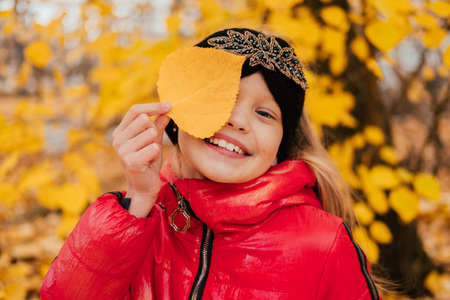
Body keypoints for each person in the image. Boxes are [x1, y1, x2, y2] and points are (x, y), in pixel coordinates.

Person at [40, 28, 383, 299]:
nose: (238, 122)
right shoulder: (141, 223)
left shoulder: (323, 244)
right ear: (178, 118)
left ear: (282, 145)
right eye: (223, 99)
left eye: (264, 113)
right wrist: (139, 201)